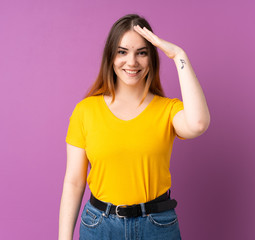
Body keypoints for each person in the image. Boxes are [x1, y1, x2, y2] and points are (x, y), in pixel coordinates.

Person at [58, 14, 210, 240]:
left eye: (142, 52)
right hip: (99, 226)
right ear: (111, 57)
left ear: (152, 58)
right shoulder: (85, 111)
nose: (132, 62)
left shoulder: (168, 110)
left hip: (157, 225)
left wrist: (179, 56)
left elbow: (198, 124)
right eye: (122, 52)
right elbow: (74, 181)